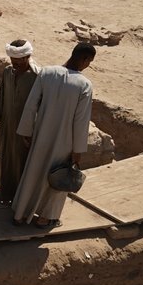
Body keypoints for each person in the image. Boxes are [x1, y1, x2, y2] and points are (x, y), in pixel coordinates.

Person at [12, 43, 96, 229]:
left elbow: (31, 104)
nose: (88, 65)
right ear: (84, 59)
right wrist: (78, 150)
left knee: (33, 172)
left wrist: (26, 131)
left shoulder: (47, 73)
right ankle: (45, 218)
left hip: (40, 135)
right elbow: (81, 121)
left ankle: (20, 214)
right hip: (64, 142)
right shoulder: (84, 85)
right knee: (58, 178)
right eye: (89, 62)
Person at [0, 40, 41, 205]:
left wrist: (32, 131)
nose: (14, 64)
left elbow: (40, 106)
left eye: (18, 61)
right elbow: (1, 96)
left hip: (25, 129)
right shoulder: (8, 72)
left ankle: (21, 197)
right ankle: (5, 191)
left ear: (27, 57)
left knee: (22, 162)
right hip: (7, 125)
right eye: (12, 60)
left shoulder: (37, 77)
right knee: (6, 159)